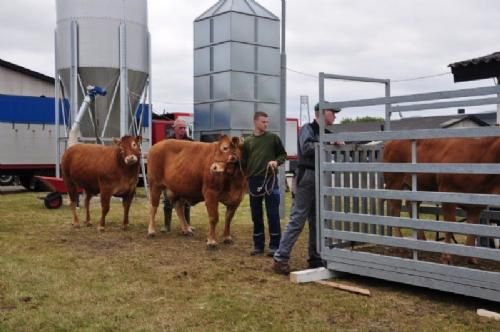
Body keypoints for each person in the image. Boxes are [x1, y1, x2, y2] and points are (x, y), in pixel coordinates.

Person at [272, 102, 341, 274]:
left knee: (317, 220)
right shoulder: (308, 129)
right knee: (298, 219)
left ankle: (315, 257)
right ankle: (280, 258)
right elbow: (307, 147)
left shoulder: (324, 132)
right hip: (307, 177)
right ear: (323, 113)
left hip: (318, 177)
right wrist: (329, 142)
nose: (335, 116)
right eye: (333, 112)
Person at [242, 111, 287, 257]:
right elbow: (243, 162)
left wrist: (276, 161)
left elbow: (283, 154)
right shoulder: (248, 142)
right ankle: (258, 245)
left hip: (270, 179)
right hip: (254, 180)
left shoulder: (273, 138)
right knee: (256, 215)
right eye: (263, 122)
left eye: (267, 122)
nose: (266, 124)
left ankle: (275, 246)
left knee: (273, 214)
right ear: (255, 122)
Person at [161, 118, 193, 233]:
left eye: (185, 128)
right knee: (167, 200)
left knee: (186, 201)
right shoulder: (167, 143)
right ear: (175, 129)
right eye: (181, 128)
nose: (183, 130)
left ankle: (187, 224)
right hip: (170, 175)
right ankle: (166, 225)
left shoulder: (191, 142)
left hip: (186, 176)